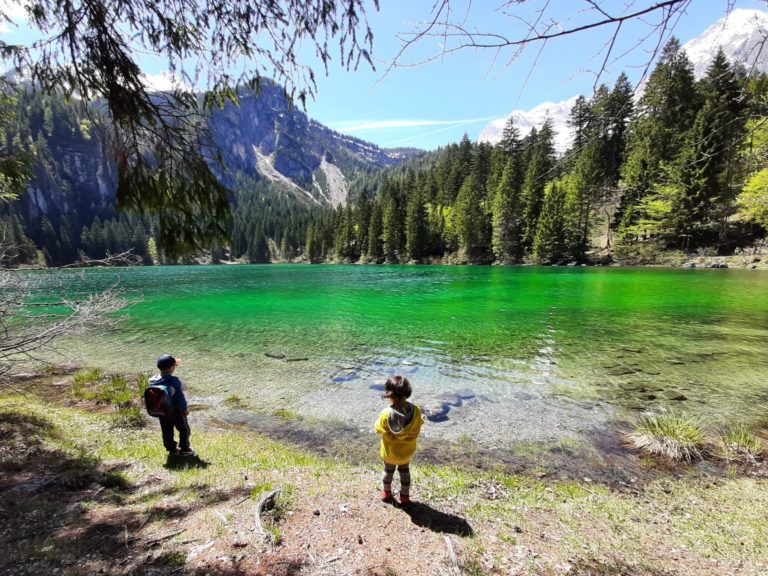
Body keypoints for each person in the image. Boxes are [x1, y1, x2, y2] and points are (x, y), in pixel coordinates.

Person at [374, 375, 424, 505]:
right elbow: (420, 423)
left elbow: (378, 429)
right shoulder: (416, 410)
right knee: (405, 473)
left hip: (390, 453)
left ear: (390, 395)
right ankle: (405, 497)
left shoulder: (386, 413)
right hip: (406, 453)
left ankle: (386, 493)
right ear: (407, 393)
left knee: (388, 472)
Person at [152, 354, 194, 456]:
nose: (175, 367)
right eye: (175, 365)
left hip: (161, 410)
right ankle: (185, 449)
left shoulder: (152, 380)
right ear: (170, 368)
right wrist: (185, 409)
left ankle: (172, 449)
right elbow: (180, 397)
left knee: (166, 430)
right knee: (184, 429)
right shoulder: (174, 380)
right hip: (175, 410)